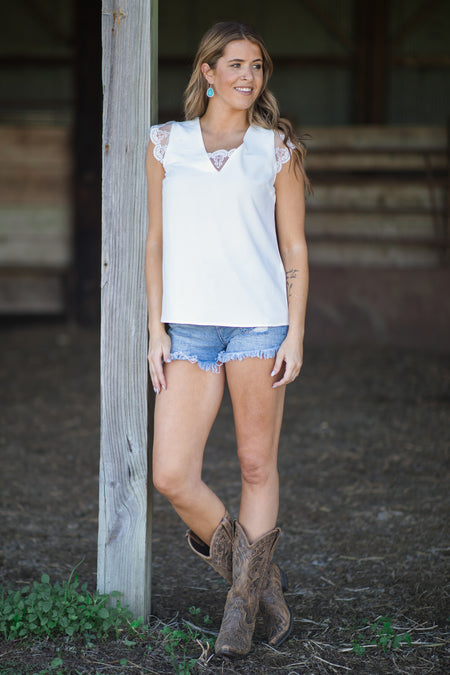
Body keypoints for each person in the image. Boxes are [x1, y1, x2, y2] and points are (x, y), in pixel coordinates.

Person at [145, 20, 309, 658]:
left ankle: (239, 611)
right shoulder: (165, 144)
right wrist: (155, 326)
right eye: (235, 64)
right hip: (187, 327)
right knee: (173, 474)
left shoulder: (276, 149)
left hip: (259, 325)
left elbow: (293, 245)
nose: (249, 76)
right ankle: (262, 578)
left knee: (254, 464)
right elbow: (154, 242)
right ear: (206, 72)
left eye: (258, 66)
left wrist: (295, 331)